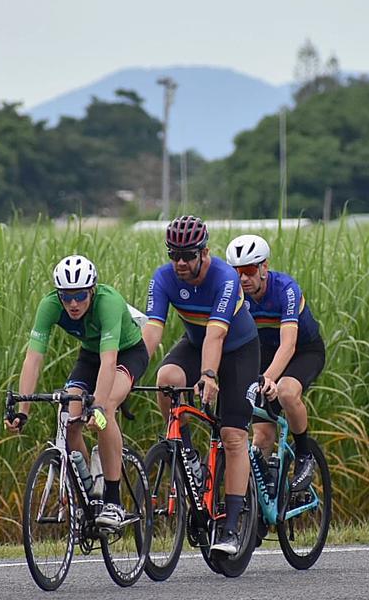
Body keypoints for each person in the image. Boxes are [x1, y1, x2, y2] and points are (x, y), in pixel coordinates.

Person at [143, 215, 260, 556]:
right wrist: (128, 373)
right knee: (167, 379)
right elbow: (152, 331)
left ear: (204, 253)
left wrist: (209, 374)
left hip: (237, 350)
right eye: (173, 254)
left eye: (188, 255)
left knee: (233, 436)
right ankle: (186, 449)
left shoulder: (225, 277)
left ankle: (232, 526)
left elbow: (217, 333)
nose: (180, 262)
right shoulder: (164, 278)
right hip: (195, 344)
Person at [8, 254, 149, 530]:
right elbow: (33, 359)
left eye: (80, 296)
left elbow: (109, 362)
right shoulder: (50, 305)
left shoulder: (108, 302)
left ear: (92, 290)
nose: (73, 304)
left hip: (126, 354)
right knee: (70, 419)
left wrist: (96, 405)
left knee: (105, 409)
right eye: (66, 297)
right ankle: (89, 493)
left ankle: (112, 500)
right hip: (90, 355)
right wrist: (23, 409)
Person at [224, 233, 325, 492]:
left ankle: (304, 455)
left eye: (248, 271)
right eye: (237, 272)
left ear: (264, 267)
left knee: (287, 393)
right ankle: (261, 501)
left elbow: (288, 344)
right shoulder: (233, 294)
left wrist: (268, 377)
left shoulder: (285, 289)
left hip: (303, 351)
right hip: (262, 352)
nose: (243, 279)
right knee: (262, 436)